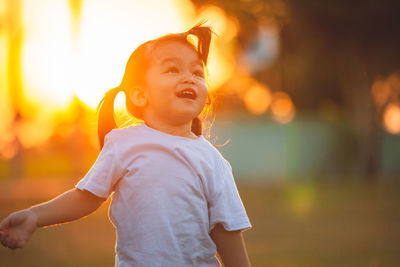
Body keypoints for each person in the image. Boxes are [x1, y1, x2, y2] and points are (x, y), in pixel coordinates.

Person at [0, 24, 251, 267]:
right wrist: (34, 216)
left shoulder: (212, 161)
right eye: (173, 70)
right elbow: (86, 197)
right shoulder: (123, 145)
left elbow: (226, 232)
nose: (189, 78)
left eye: (197, 73)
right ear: (140, 94)